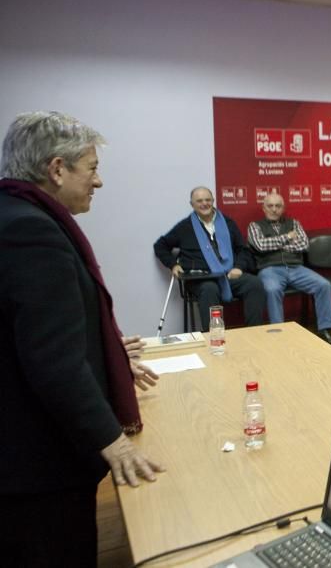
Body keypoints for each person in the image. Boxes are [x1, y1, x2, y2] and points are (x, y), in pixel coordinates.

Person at [1, 112, 163, 565]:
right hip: (34, 466)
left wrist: (107, 353)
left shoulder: (14, 215)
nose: (99, 182)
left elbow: (29, 332)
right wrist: (112, 441)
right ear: (57, 169)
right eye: (91, 168)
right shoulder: (31, 230)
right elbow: (51, 357)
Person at [154, 187, 266, 329]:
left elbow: (243, 250)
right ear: (192, 204)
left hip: (228, 275)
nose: (204, 203)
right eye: (199, 201)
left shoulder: (228, 223)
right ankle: (215, 338)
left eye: (208, 200)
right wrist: (173, 265)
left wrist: (238, 267)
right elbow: (160, 245)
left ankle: (254, 332)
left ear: (213, 201)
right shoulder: (185, 227)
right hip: (201, 279)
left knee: (254, 283)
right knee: (209, 289)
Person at [246, 192, 331, 347]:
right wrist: (287, 238)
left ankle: (325, 329)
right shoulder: (254, 226)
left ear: (283, 208)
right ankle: (279, 333)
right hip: (270, 269)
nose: (274, 209)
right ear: (263, 208)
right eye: (270, 206)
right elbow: (260, 246)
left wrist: (275, 244)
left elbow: (303, 245)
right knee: (272, 289)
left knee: (323, 284)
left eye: (278, 206)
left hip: (296, 267)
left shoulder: (294, 223)